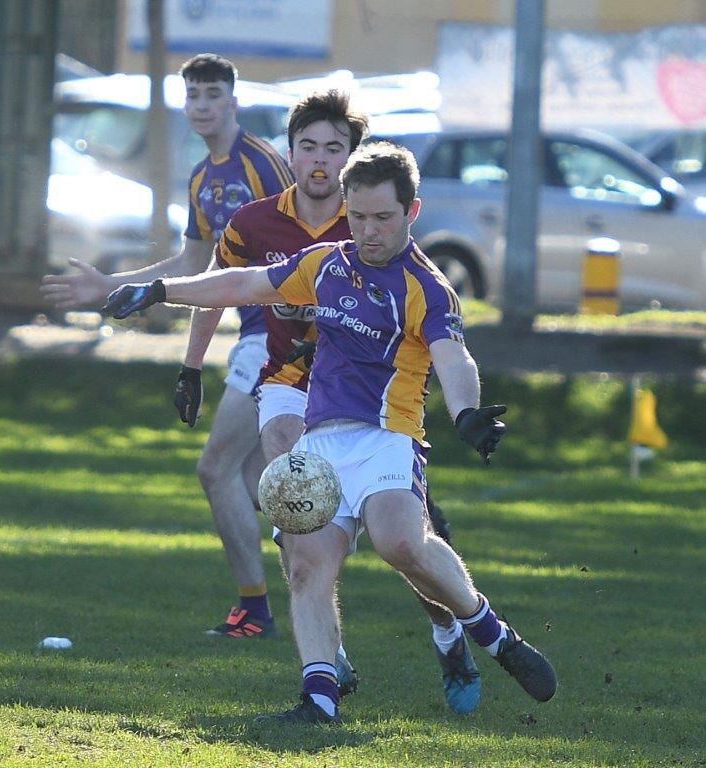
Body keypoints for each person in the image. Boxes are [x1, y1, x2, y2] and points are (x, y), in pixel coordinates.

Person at [102, 141, 558, 724]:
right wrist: (161, 290)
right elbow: (243, 284)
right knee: (307, 564)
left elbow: (454, 357)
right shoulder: (326, 264)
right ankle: (320, 698)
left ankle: (492, 633)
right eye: (360, 216)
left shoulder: (426, 285)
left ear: (411, 212)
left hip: (388, 437)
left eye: (384, 218)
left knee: (400, 542)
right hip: (321, 444)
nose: (370, 230)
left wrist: (465, 412)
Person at [176, 90, 477, 713]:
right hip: (291, 380)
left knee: (408, 539)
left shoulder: (371, 219)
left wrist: (464, 405)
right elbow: (225, 283)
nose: (320, 160)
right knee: (294, 496)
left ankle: (448, 627)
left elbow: (444, 342)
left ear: (352, 160)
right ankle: (327, 665)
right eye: (308, 146)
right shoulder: (259, 221)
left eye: (333, 149)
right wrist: (189, 361)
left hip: (379, 402)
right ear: (290, 153)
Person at [40, 53, 293, 638]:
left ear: (232, 101)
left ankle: (256, 610)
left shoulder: (262, 165)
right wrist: (114, 287)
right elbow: (192, 265)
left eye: (212, 95)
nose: (202, 105)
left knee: (216, 469)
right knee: (257, 478)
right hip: (253, 336)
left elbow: (298, 245)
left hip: (281, 338)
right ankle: (339, 521)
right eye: (193, 96)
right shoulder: (204, 178)